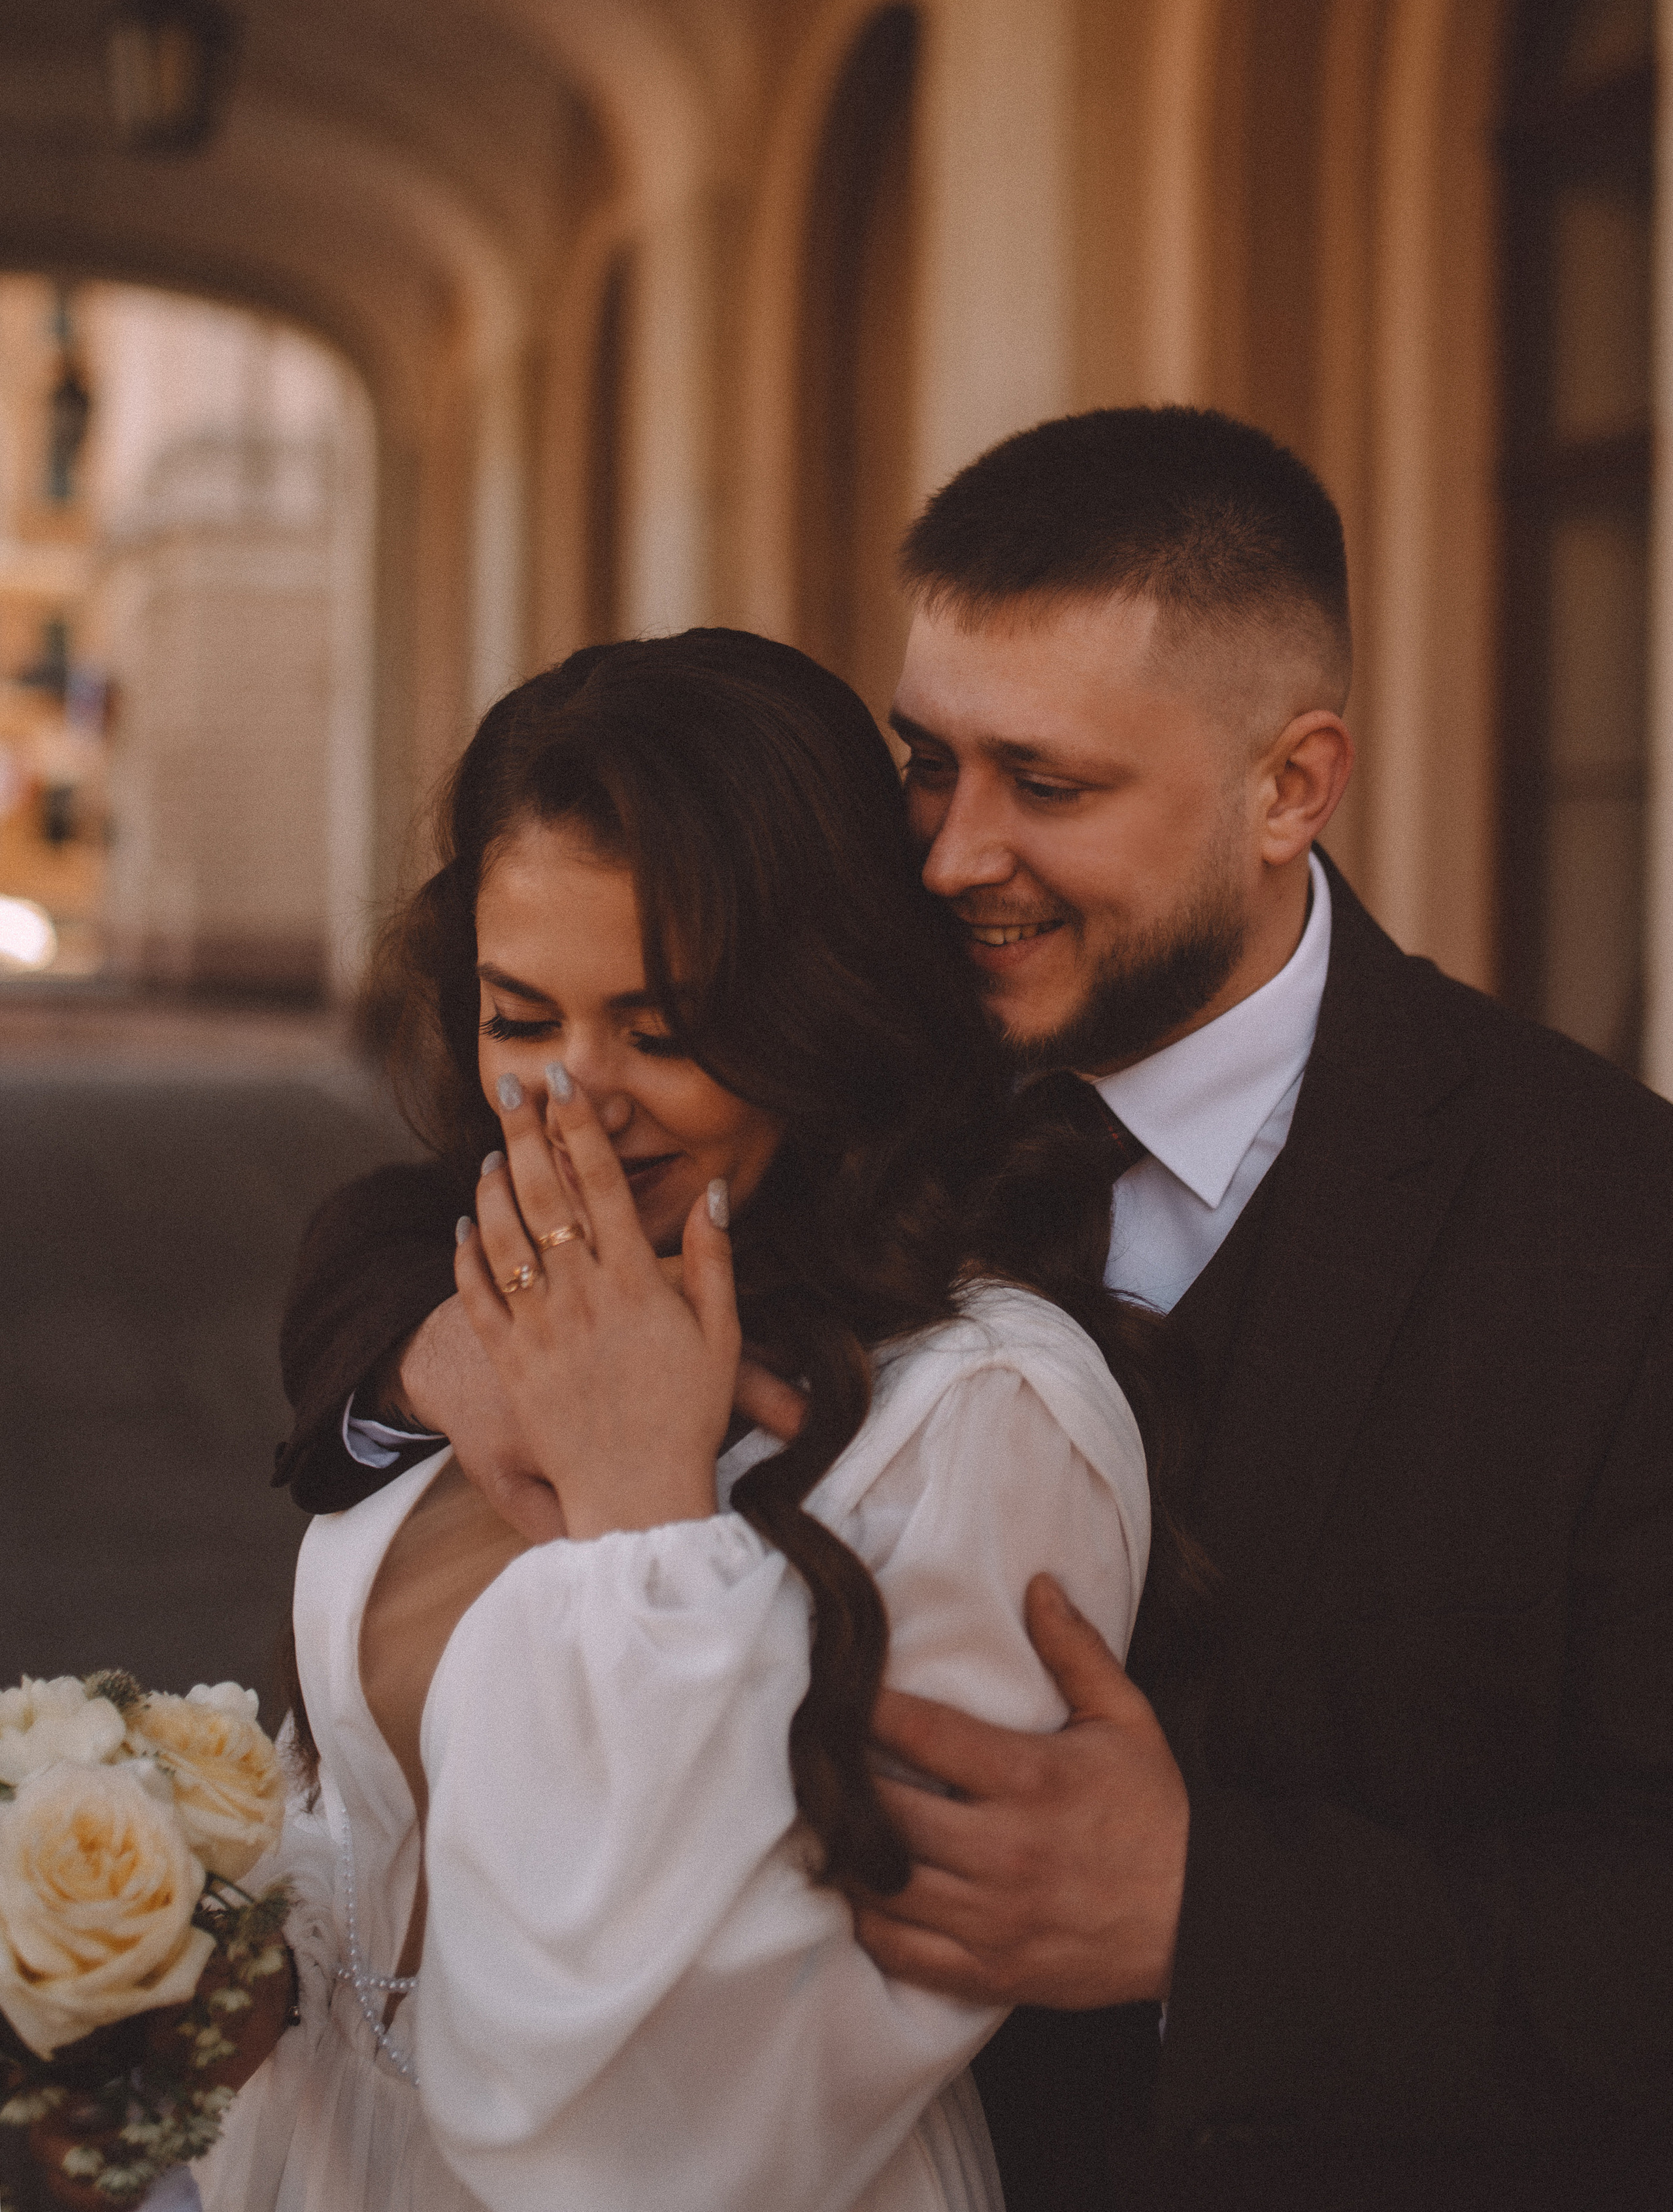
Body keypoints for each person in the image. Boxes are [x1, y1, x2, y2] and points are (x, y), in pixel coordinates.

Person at [278, 409, 1673, 2209]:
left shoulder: (1607, 1228)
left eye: (1048, 786)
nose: (948, 857)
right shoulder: (841, 1022)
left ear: (1290, 787)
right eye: (927, 764)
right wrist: (441, 1350)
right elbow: (424, 1205)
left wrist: (1211, 1919)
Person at [210, 628, 1170, 2212]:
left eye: (663, 1032)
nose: (573, 1097)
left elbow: (694, 2120)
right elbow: (395, 1823)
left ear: (822, 1015)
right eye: (522, 1016)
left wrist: (642, 1521)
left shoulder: (986, 1416)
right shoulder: (498, 1290)